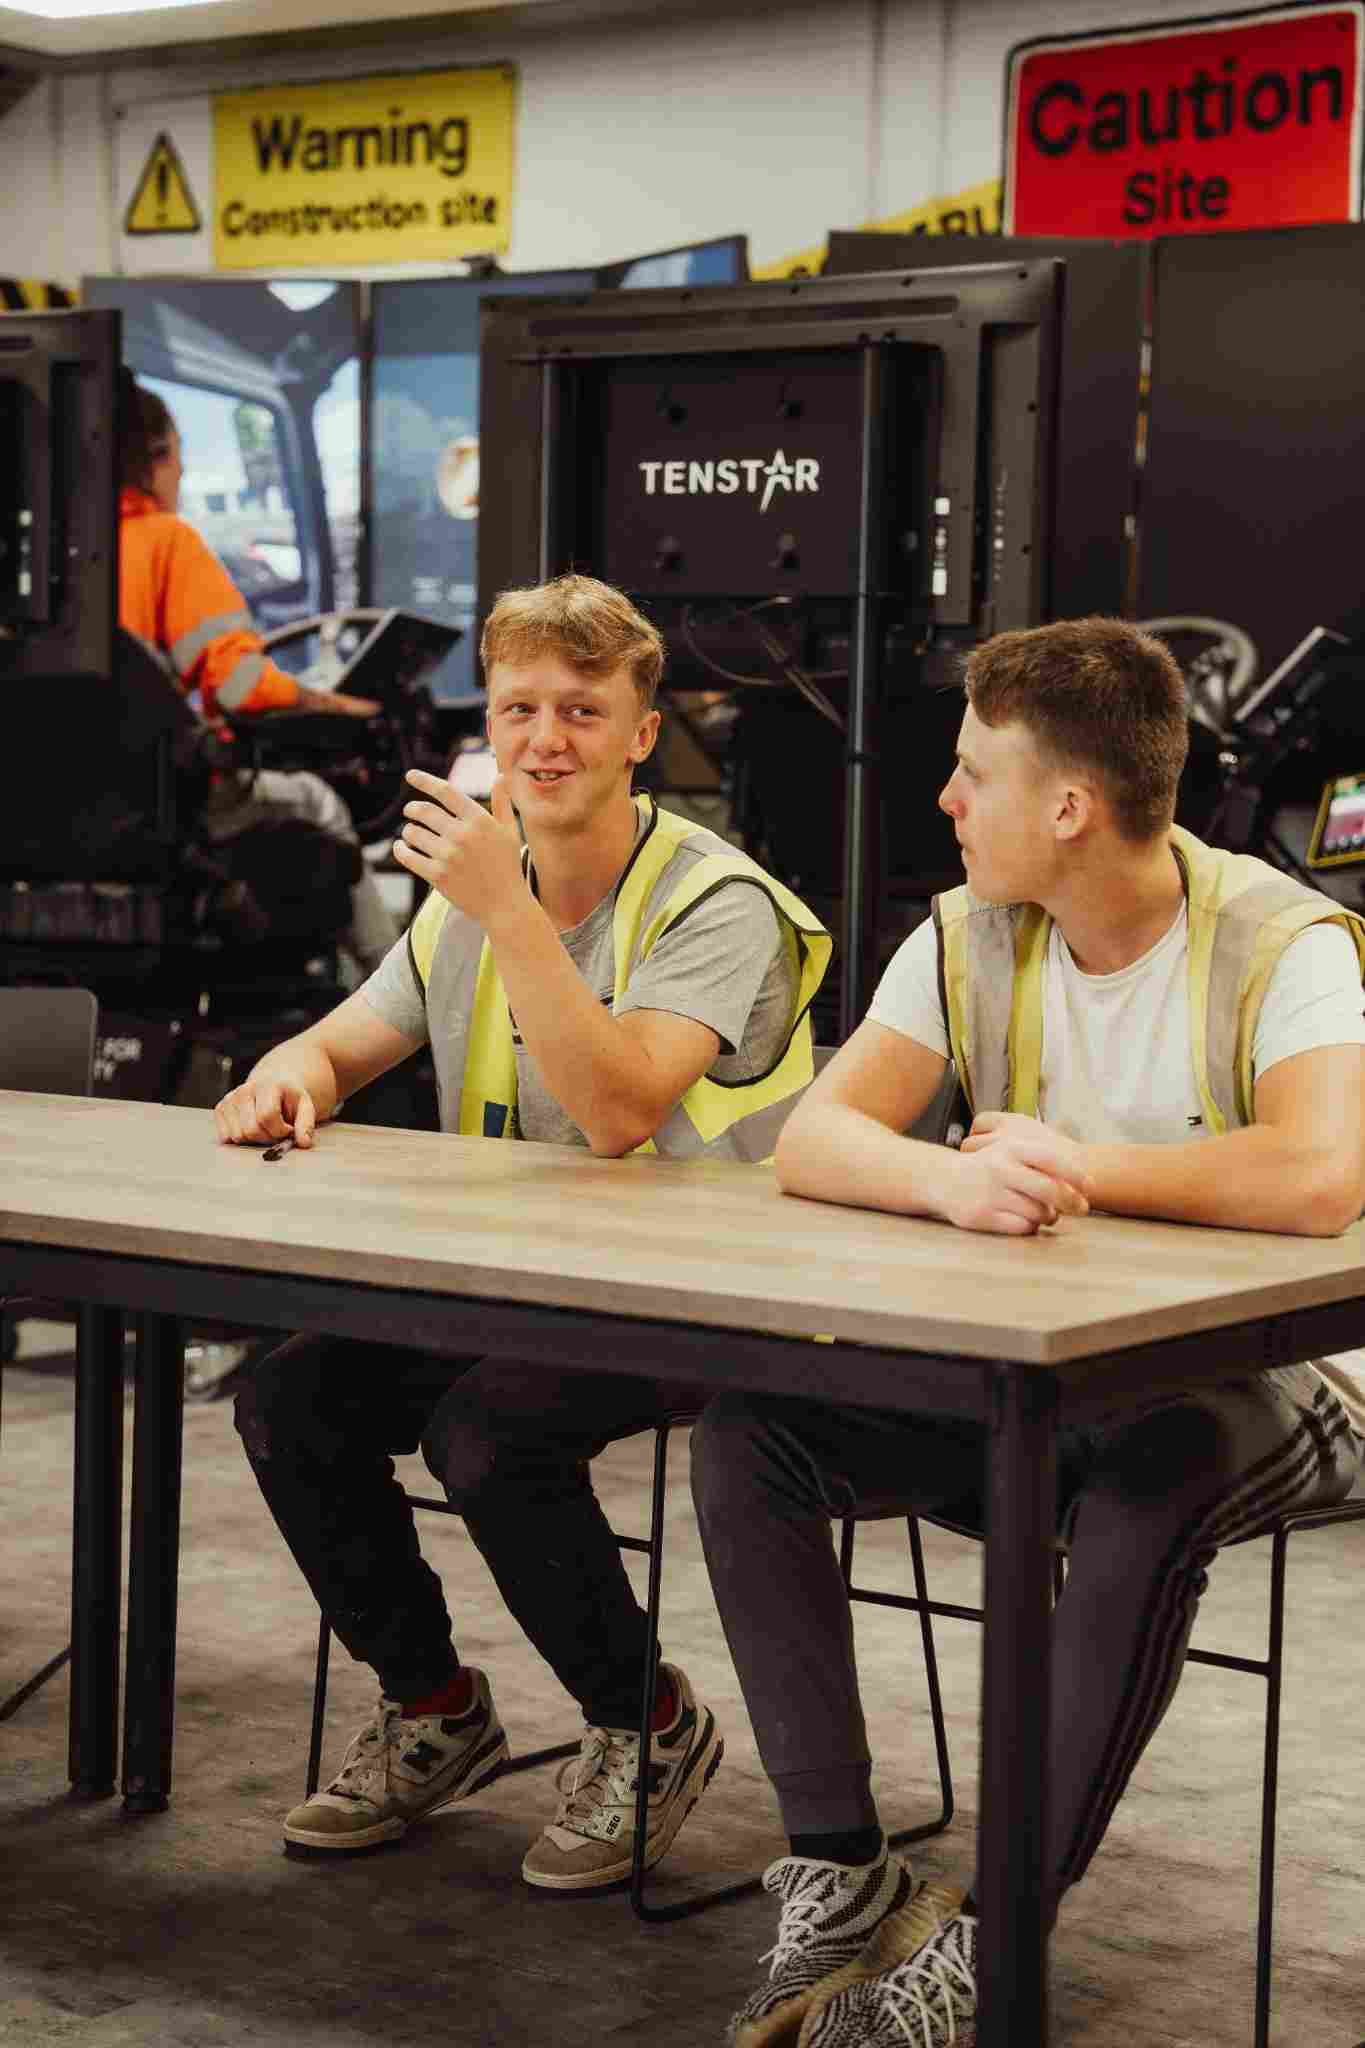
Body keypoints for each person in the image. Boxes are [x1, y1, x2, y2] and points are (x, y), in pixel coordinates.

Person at [690, 615, 1365, 2048]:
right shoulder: (965, 930)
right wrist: (947, 1176)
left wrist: (1070, 1163)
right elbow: (815, 1136)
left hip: (1283, 1375)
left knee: (1157, 1478)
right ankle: (842, 1873)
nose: (944, 799)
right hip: (1037, 1375)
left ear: (1067, 805)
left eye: (968, 772)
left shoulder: (1280, 934)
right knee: (754, 1434)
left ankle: (991, 1938)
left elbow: (1319, 1180)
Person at [216, 573, 831, 1888]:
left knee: (487, 1436)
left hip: (708, 1289)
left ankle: (646, 1725)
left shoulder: (710, 903)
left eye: (579, 708)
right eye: (517, 709)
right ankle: (436, 1709)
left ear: (640, 729)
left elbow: (616, 1111)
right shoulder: (475, 898)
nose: (544, 738)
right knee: (286, 1396)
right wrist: (293, 1078)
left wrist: (506, 905)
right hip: (527, 1279)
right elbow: (342, 1040)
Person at [117, 370, 399, 978]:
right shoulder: (163, 541)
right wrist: (325, 702)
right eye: (180, 460)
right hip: (162, 807)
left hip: (61, 818)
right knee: (319, 800)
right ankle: (396, 1007)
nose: (182, 477)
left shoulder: (36, 570)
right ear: (158, 457)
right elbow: (241, 686)